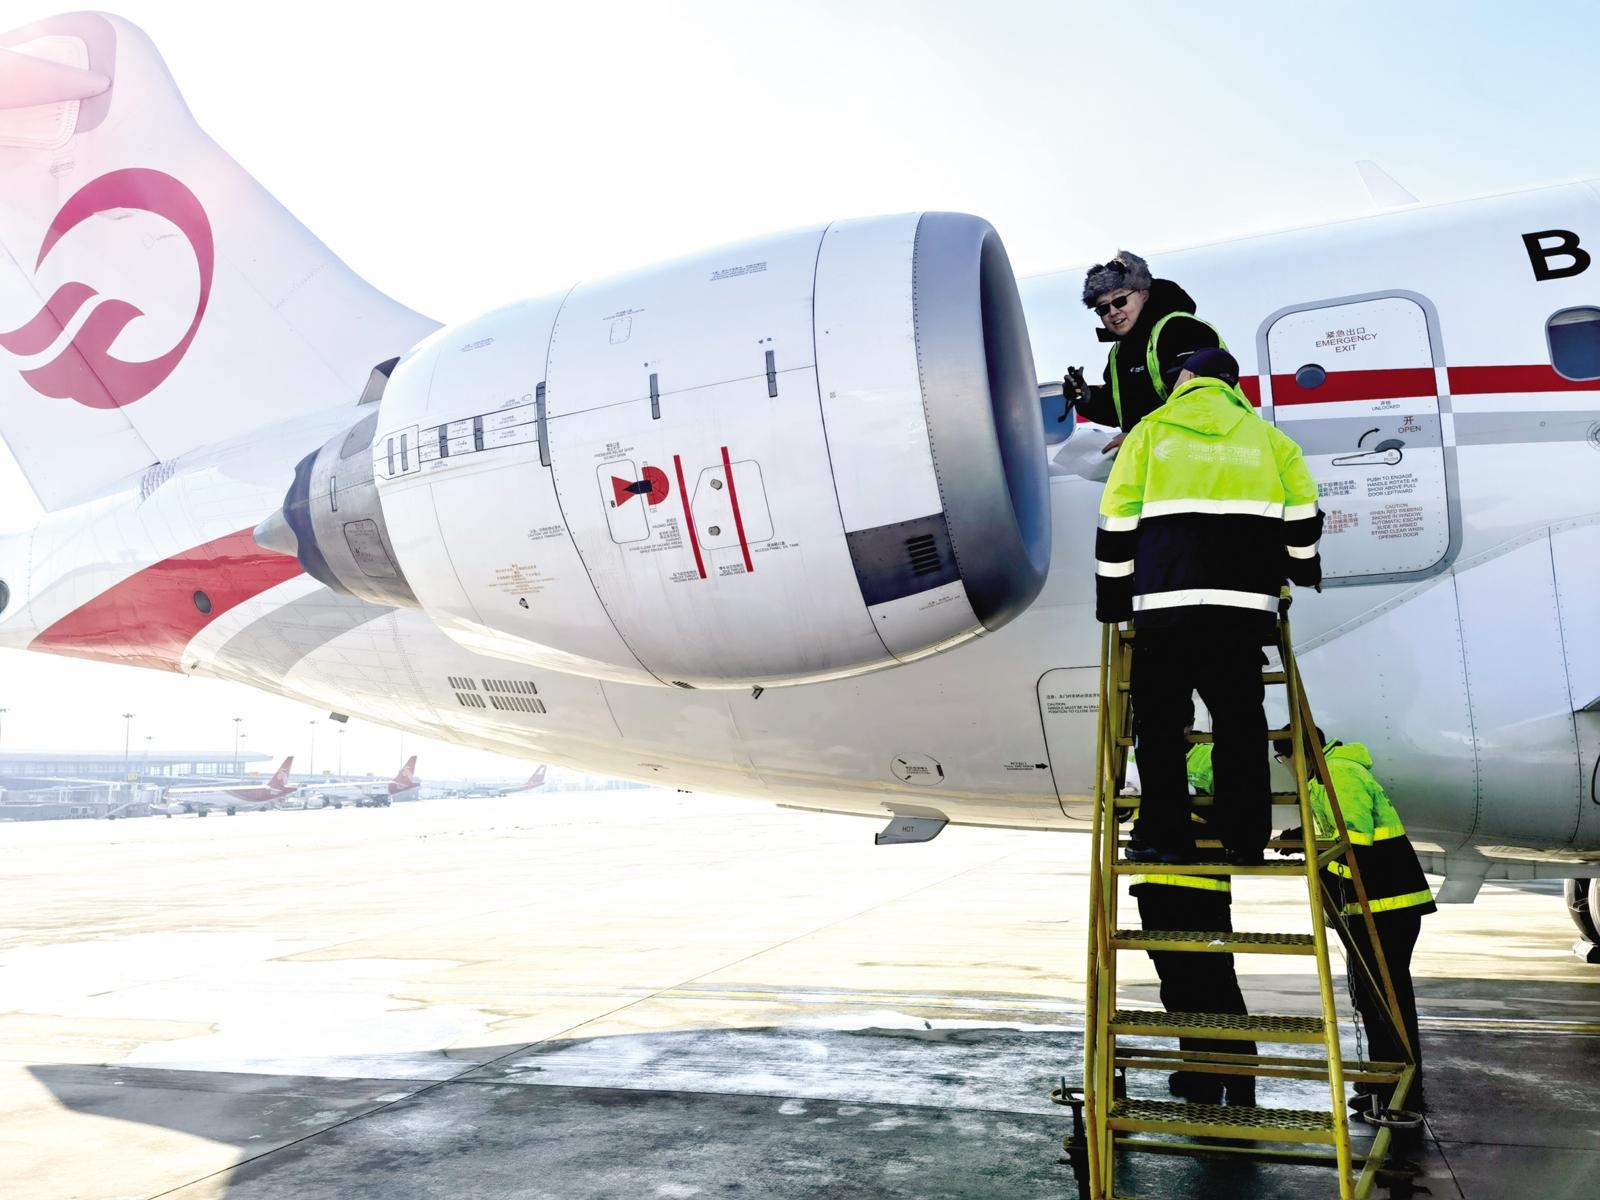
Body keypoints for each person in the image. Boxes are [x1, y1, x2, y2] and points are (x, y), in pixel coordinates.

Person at [1094, 346, 1323, 866]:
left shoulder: (1150, 434)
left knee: (1159, 728)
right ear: (1232, 385)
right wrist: (1303, 572)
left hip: (1165, 612)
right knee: (1240, 724)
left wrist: (1113, 602)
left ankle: (1164, 835)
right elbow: (1304, 519)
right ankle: (1245, 839)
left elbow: (1116, 522)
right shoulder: (1271, 441)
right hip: (1242, 616)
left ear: (1189, 378)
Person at [1274, 728, 1436, 1107]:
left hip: (1387, 906)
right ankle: (1383, 1081)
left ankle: (1400, 1088)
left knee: (1387, 999)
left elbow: (1355, 844)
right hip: (1372, 907)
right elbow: (1336, 830)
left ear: (1301, 752)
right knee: (1373, 997)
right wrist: (1302, 837)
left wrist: (1316, 862)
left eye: (1285, 760)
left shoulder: (1340, 774)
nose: (1287, 769)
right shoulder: (1325, 777)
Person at [1129, 738, 1257, 1107]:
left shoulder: (1210, 755)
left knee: (1217, 987)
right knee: (1177, 988)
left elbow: (1233, 813)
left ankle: (1238, 1076)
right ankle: (1199, 1072)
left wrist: (1183, 801)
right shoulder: (1140, 758)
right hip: (1153, 889)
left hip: (1201, 888)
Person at [1062, 251, 1224, 453]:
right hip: (1160, 460)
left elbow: (1198, 404)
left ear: (1144, 294)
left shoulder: (1181, 329)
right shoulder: (1119, 353)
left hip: (1204, 456)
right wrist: (1086, 397)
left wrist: (1139, 436)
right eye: (1103, 308)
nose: (1112, 312)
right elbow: (1122, 412)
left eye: (1120, 301)